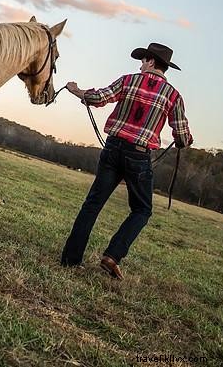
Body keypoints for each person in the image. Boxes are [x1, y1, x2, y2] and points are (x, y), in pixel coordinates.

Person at [60, 42, 193, 279]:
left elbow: (99, 97)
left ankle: (71, 259)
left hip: (113, 148)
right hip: (139, 156)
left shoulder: (128, 80)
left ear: (151, 62)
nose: (140, 65)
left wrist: (76, 90)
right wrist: (185, 139)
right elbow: (182, 136)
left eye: (143, 60)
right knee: (142, 210)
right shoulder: (173, 95)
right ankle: (112, 255)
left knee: (93, 204)